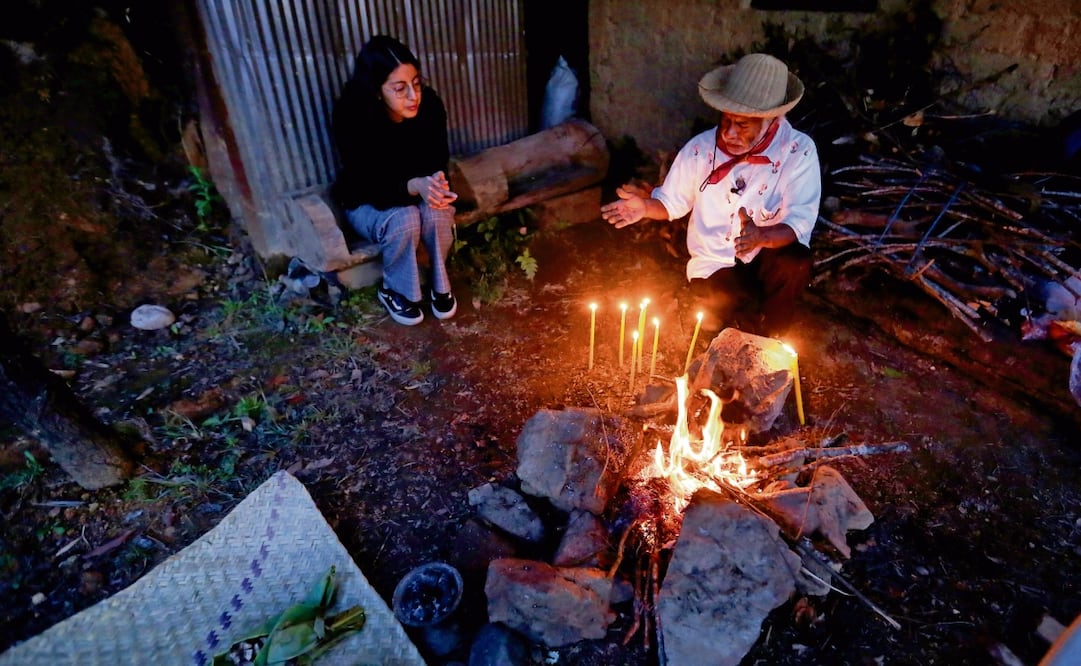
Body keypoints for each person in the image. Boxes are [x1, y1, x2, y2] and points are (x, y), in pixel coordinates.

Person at [601, 53, 821, 338]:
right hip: (716, 262)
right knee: (723, 318)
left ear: (771, 119)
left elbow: (798, 221)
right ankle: (731, 328)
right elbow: (671, 202)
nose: (729, 133)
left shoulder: (798, 151)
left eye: (742, 125)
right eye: (726, 120)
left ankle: (774, 341)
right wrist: (644, 207)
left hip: (767, 258)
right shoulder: (700, 149)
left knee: (795, 262)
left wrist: (761, 236)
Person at [331, 35, 458, 326]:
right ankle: (396, 290)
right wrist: (412, 186)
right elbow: (367, 183)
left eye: (416, 83)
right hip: (366, 201)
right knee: (405, 219)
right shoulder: (353, 113)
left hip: (414, 192)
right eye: (400, 89)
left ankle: (439, 284)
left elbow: (438, 158)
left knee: (437, 212)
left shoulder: (429, 106)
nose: (414, 96)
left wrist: (436, 183)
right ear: (377, 90)